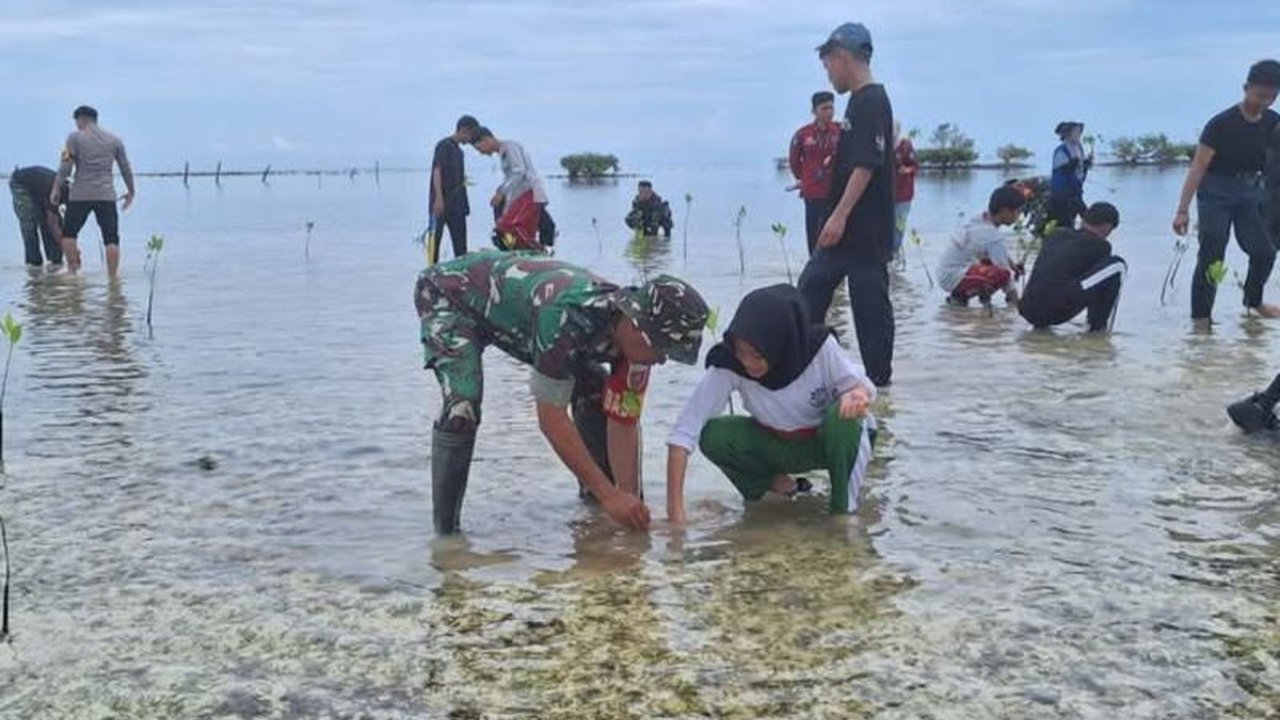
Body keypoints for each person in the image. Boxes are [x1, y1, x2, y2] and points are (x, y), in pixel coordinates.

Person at [415, 250, 709, 535]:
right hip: (450, 295)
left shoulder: (637, 349)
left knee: (595, 389)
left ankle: (593, 509)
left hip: (517, 313)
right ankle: (446, 537)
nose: (662, 359)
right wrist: (610, 496)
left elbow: (623, 420)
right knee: (462, 407)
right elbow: (551, 420)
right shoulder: (564, 317)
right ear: (636, 326)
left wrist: (630, 502)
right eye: (662, 349)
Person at [664, 284, 875, 524]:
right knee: (714, 435)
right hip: (781, 443)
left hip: (832, 439)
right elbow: (683, 433)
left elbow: (864, 388)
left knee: (843, 417)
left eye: (757, 354)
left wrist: (855, 395)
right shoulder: (732, 364)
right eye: (741, 352)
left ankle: (843, 512)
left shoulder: (819, 348)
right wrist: (676, 517)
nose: (748, 363)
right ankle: (786, 489)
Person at [797, 22, 896, 387]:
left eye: (828, 66)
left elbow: (866, 163)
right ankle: (802, 367)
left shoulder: (870, 99)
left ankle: (879, 386)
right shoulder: (860, 102)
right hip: (848, 231)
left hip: (862, 230)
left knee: (870, 310)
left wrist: (837, 216)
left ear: (841, 57)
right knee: (808, 294)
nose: (829, 74)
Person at [1174, 59, 1280, 323]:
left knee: (1264, 251)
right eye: (1259, 95)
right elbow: (1198, 167)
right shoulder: (1220, 124)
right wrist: (1182, 210)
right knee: (1212, 254)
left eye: (1271, 96)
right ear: (1246, 88)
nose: (1264, 102)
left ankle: (1253, 301)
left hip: (1250, 191)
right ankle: (1201, 319)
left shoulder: (1273, 121)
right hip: (1215, 192)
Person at [51, 105, 135, 278]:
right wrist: (131, 190)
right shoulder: (114, 140)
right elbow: (125, 167)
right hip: (106, 195)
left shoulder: (74, 138)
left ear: (81, 119)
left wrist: (56, 188)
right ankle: (113, 278)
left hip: (80, 194)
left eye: (77, 122)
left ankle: (73, 272)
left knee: (69, 234)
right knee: (111, 238)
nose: (76, 125)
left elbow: (65, 166)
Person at [1019, 202, 1125, 332]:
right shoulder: (1101, 246)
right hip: (1056, 310)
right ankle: (1097, 327)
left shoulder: (1056, 235)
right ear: (1107, 227)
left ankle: (1041, 328)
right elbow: (1097, 284)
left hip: (1027, 308)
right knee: (1117, 265)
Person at [936, 186, 1027, 307]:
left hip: (946, 272)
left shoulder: (982, 218)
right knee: (1003, 274)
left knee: (990, 263)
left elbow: (999, 252)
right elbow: (1005, 275)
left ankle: (964, 296)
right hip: (952, 277)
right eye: (1017, 212)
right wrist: (1018, 304)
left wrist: (1014, 266)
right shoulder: (992, 235)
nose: (1018, 216)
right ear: (1005, 211)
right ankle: (962, 296)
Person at [471, 127, 556, 250]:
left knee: (509, 229)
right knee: (545, 226)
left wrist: (501, 192)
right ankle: (542, 253)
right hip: (522, 197)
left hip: (529, 195)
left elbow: (519, 171)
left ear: (486, 140)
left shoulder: (510, 147)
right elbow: (512, 179)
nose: (481, 153)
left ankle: (542, 254)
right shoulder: (503, 153)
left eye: (479, 148)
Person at [788, 91, 841, 255]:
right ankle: (815, 271)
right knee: (814, 235)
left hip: (837, 192)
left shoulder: (841, 131)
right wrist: (804, 177)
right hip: (813, 192)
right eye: (824, 109)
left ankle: (837, 275)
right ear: (814, 111)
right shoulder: (803, 134)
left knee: (838, 236)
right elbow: (794, 160)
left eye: (831, 108)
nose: (829, 113)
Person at [428, 115, 480, 265]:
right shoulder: (444, 145)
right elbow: (437, 171)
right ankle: (431, 275)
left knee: (461, 248)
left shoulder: (459, 152)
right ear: (464, 130)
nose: (471, 141)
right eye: (471, 136)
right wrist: (438, 198)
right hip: (440, 203)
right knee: (434, 245)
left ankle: (460, 279)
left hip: (457, 206)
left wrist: (465, 206)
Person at [8, 166, 67, 267]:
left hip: (40, 189)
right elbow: (52, 222)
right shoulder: (57, 191)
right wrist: (67, 247)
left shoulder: (73, 196)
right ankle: (33, 263)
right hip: (20, 183)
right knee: (30, 224)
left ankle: (55, 262)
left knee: (52, 223)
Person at [1048, 121, 1090, 230]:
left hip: (1076, 192)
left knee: (1088, 219)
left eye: (1080, 132)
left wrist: (1085, 166)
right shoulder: (1061, 150)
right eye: (1076, 132)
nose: (1079, 135)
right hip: (1062, 195)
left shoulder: (1079, 148)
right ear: (1068, 134)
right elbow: (1059, 173)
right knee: (1066, 224)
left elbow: (1080, 175)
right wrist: (1069, 166)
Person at [893, 120, 918, 256]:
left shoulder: (906, 145)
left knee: (899, 224)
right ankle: (886, 252)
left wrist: (907, 170)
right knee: (886, 224)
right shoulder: (882, 145)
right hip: (887, 194)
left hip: (904, 195)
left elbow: (915, 165)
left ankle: (895, 251)